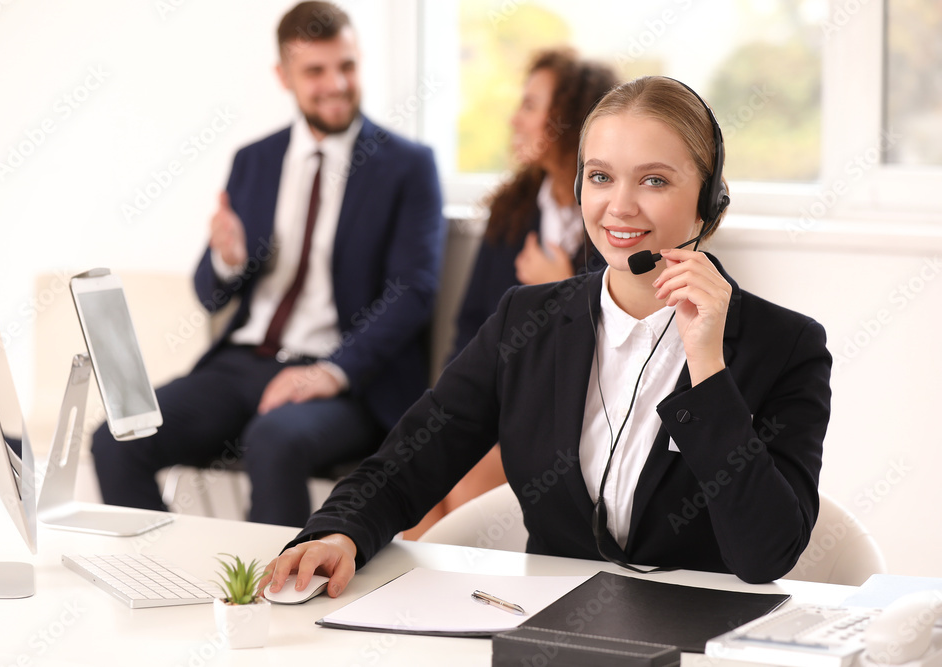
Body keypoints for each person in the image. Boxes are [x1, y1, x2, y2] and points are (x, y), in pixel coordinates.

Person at [261, 75, 832, 598]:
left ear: (709, 199)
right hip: (548, 632)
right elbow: (412, 459)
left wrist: (707, 364)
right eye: (601, 177)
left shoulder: (786, 347)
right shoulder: (527, 321)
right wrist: (340, 534)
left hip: (700, 641)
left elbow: (765, 555)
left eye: (654, 180)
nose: (620, 206)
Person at [91, 1, 444, 527]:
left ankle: (274, 599)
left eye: (346, 66)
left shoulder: (407, 166)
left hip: (344, 377)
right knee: (117, 437)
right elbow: (208, 294)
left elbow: (414, 292)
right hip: (243, 363)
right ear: (284, 76)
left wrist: (332, 372)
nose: (336, 84)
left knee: (273, 439)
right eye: (315, 71)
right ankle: (164, 575)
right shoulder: (255, 159)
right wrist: (228, 261)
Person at [403, 50, 619, 540]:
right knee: (420, 493)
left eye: (530, 105)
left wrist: (558, 286)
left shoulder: (619, 223)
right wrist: (457, 418)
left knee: (458, 497)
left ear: (567, 120)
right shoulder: (513, 209)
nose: (514, 119)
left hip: (568, 420)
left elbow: (613, 361)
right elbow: (470, 327)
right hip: (495, 407)